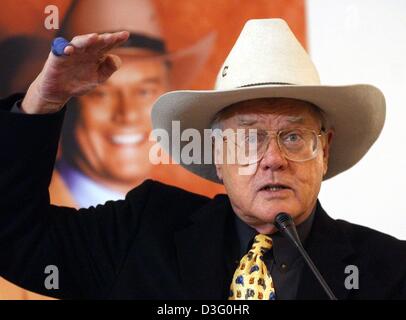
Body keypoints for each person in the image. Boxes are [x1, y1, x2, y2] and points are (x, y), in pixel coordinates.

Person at [0, 19, 405, 300]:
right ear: (216, 152)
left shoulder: (389, 271)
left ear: (325, 150)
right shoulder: (142, 231)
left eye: (294, 136)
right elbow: (16, 241)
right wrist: (45, 103)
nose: (273, 160)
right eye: (249, 138)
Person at [50, 0, 222, 208]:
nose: (127, 114)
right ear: (65, 104)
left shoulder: (178, 215)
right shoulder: (24, 213)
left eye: (144, 92)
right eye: (101, 94)